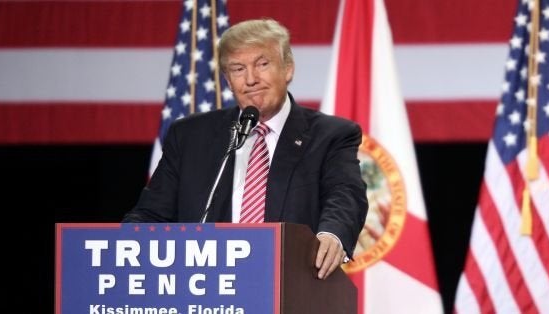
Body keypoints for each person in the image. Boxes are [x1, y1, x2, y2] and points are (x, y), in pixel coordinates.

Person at [122, 18, 368, 280]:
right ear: (228, 80)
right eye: (238, 69)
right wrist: (120, 244)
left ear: (288, 69)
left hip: (291, 285)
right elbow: (150, 214)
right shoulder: (190, 137)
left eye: (262, 64)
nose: (251, 79)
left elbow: (345, 193)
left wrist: (331, 233)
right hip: (206, 287)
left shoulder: (330, 135)